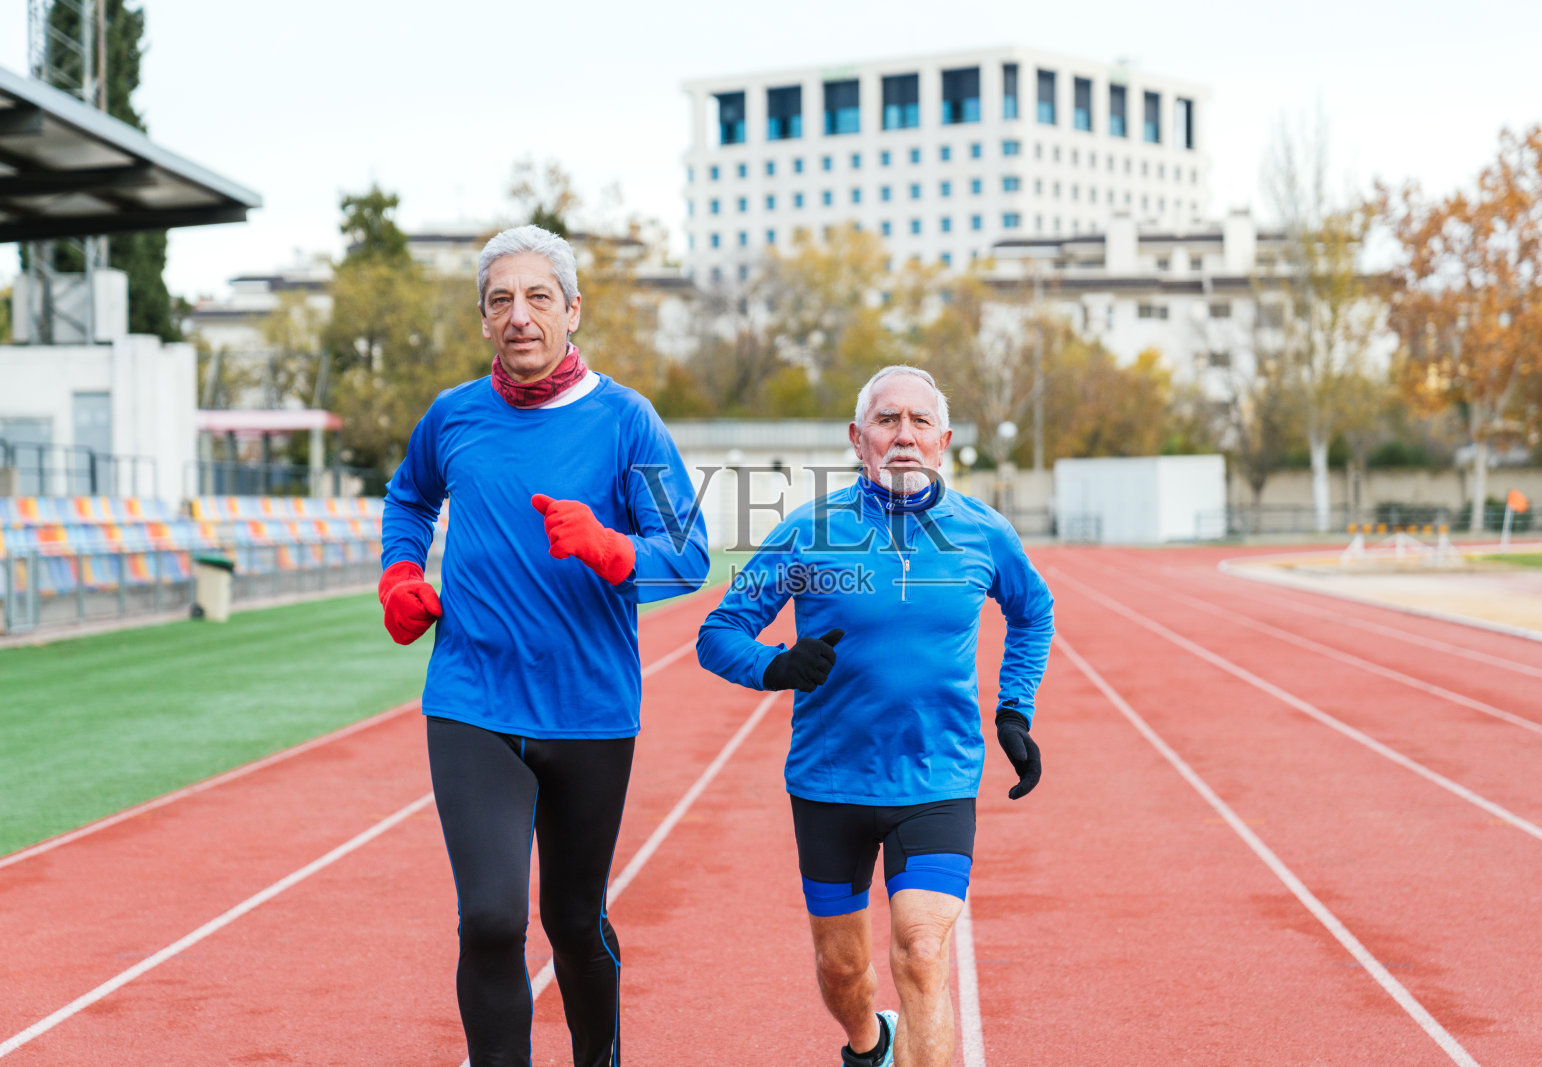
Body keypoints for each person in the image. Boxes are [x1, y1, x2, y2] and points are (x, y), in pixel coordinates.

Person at [379, 224, 708, 1067]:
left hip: (589, 708)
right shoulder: (452, 416)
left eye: (536, 297)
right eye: (501, 300)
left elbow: (691, 554)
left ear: (572, 310)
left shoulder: (628, 421)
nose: (518, 315)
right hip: (472, 698)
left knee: (572, 918)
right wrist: (400, 573)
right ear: (484, 318)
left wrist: (612, 548)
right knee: (491, 919)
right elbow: (409, 499)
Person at [696, 365, 1054, 1067]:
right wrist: (776, 666)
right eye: (887, 420)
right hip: (831, 781)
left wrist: (1015, 708)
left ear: (943, 440)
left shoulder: (984, 532)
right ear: (858, 438)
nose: (904, 435)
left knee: (922, 953)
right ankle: (869, 1044)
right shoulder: (809, 532)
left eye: (921, 421)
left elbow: (1032, 612)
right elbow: (718, 633)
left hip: (937, 776)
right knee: (841, 968)